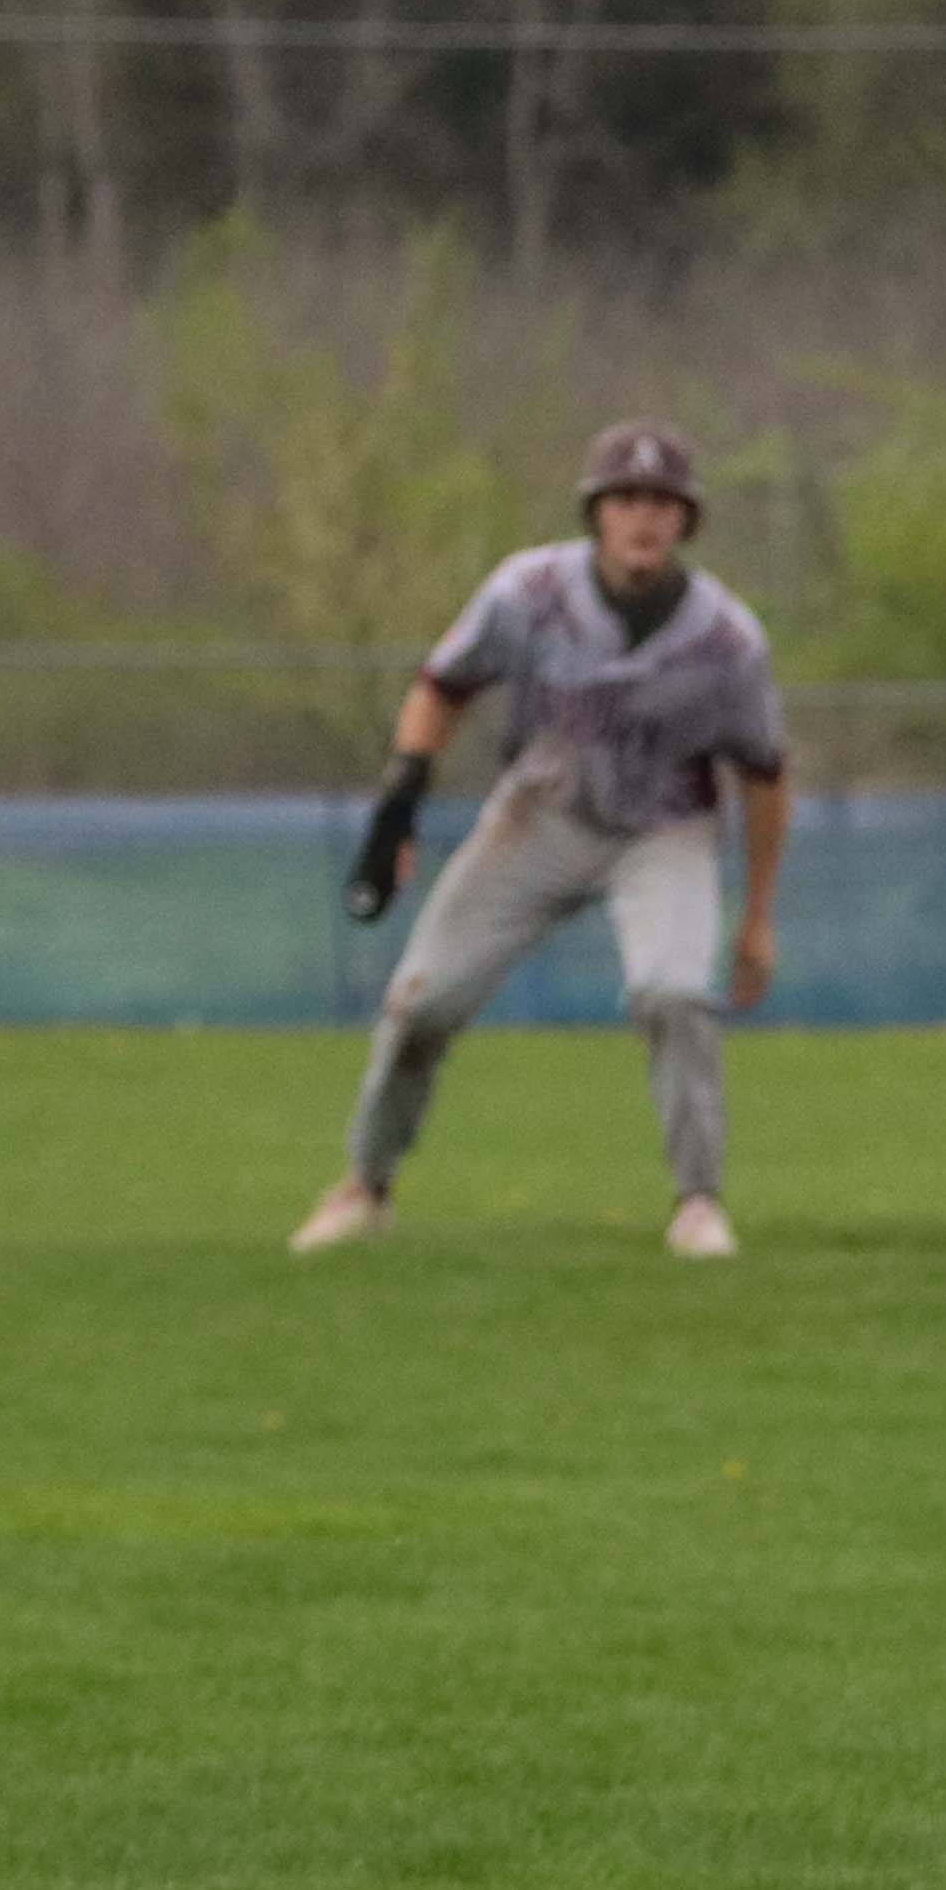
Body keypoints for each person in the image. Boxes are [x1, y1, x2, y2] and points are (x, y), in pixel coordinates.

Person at [288, 420, 791, 1262]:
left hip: (663, 829)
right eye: (626, 499)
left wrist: (759, 914)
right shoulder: (529, 592)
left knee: (671, 992)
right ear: (595, 512)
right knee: (424, 1001)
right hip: (541, 815)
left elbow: (765, 776)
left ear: (686, 522)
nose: (644, 518)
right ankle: (362, 1187)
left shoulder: (725, 639)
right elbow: (441, 685)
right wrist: (399, 801)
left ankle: (698, 1203)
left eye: (664, 503)